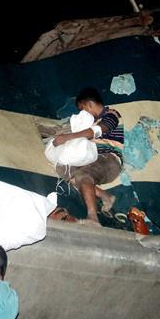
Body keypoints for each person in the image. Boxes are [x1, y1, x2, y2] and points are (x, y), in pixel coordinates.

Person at [52, 87, 123, 226]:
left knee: (83, 176)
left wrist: (68, 137)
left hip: (110, 160)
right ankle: (106, 196)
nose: (82, 112)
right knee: (66, 172)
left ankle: (93, 217)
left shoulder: (112, 114)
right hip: (93, 160)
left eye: (83, 108)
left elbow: (96, 131)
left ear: (90, 104)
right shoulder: (91, 123)